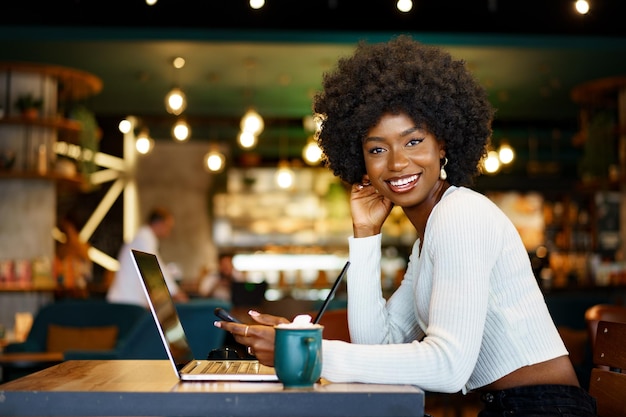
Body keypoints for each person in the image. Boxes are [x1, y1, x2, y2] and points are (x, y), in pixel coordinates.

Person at [215, 36, 597, 416]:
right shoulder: (428, 236)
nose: (397, 163)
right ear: (360, 160)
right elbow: (377, 345)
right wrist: (366, 234)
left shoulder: (460, 216)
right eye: (377, 149)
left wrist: (309, 353)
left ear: (443, 143)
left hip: (545, 409)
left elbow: (448, 367)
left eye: (413, 141)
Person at [107, 207, 188, 307]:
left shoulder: (145, 237)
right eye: (168, 226)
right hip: (125, 301)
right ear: (158, 223)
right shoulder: (144, 238)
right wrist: (175, 292)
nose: (169, 231)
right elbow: (154, 268)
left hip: (127, 300)